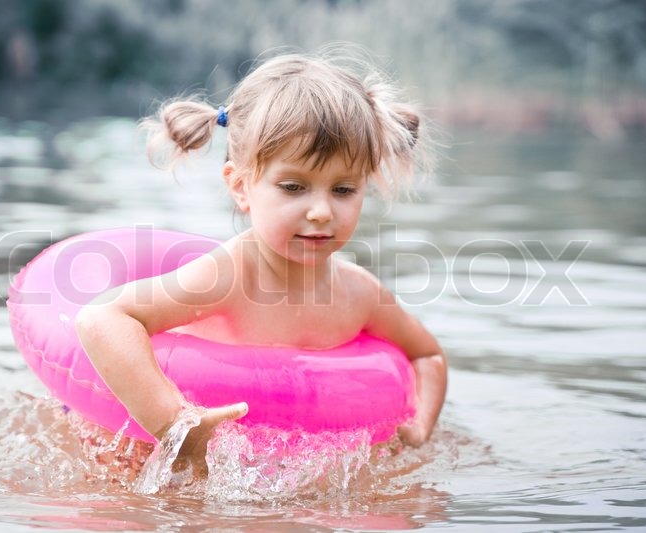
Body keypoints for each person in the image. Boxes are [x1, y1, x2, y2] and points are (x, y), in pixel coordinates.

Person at [75, 49, 447, 469]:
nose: (322, 211)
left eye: (343, 190)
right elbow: (102, 319)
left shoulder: (359, 295)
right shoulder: (228, 278)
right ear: (240, 186)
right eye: (293, 187)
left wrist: (420, 426)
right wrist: (173, 423)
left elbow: (426, 356)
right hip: (175, 453)